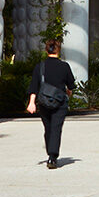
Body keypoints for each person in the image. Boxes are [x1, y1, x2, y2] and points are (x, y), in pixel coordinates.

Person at [26, 40, 76, 169]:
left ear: (46, 50)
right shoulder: (64, 66)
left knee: (48, 128)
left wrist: (32, 103)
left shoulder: (40, 66)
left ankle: (50, 152)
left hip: (44, 103)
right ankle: (52, 157)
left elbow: (34, 86)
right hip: (60, 103)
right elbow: (71, 85)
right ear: (59, 50)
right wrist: (68, 92)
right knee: (56, 128)